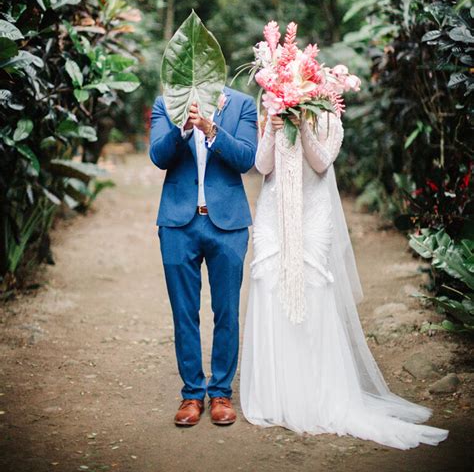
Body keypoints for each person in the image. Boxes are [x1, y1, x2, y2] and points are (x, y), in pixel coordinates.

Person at [240, 110, 449, 450]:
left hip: (313, 210)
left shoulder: (328, 116)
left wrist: (304, 127)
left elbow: (322, 163)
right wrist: (270, 128)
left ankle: (316, 392)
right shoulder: (271, 106)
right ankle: (275, 395)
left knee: (312, 288)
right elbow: (262, 166)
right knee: (268, 282)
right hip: (273, 211)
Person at [149, 85, 258, 426]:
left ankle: (221, 392)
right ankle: (192, 394)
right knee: (184, 313)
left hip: (227, 224)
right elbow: (158, 156)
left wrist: (211, 128)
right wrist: (182, 126)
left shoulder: (241, 103)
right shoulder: (165, 103)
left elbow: (246, 159)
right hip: (177, 223)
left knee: (226, 311)